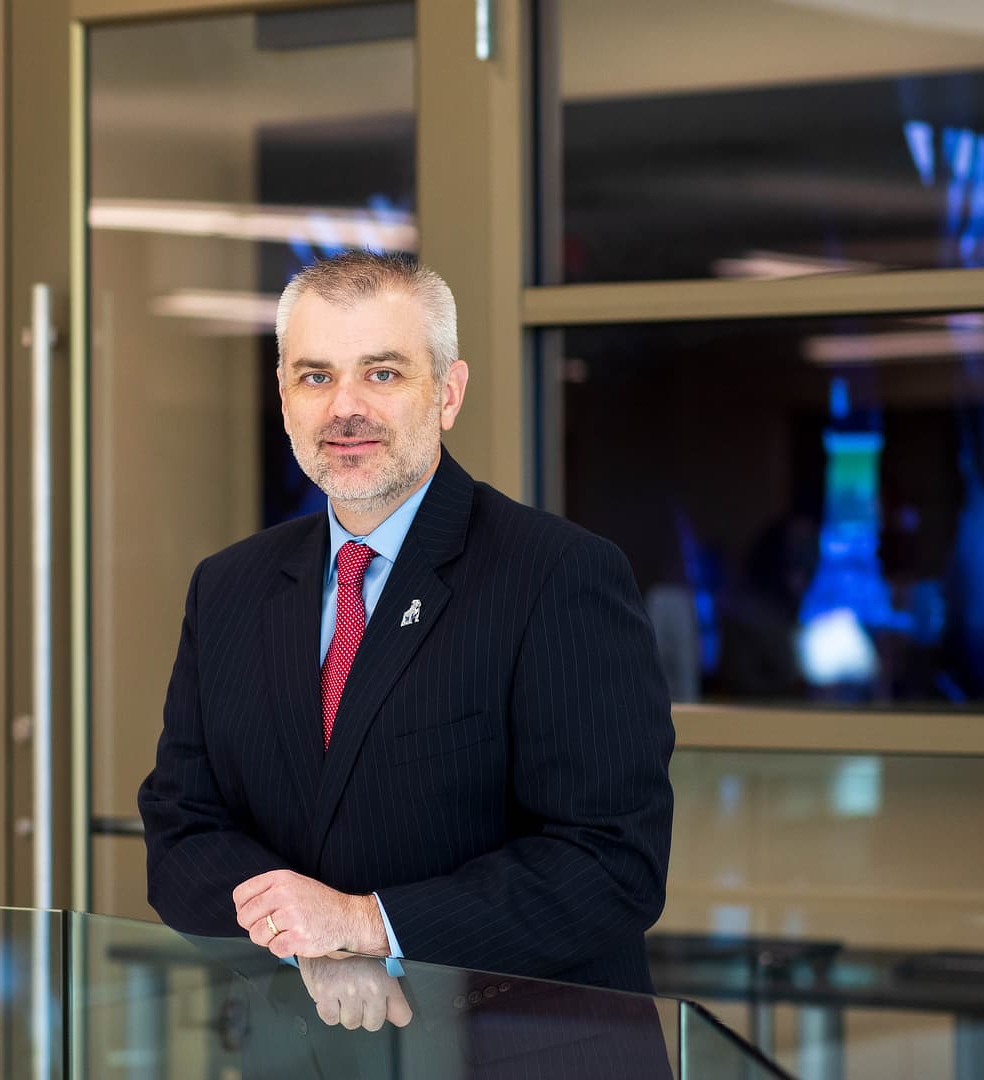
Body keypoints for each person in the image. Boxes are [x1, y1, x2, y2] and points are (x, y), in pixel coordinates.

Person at [137, 251, 676, 1042]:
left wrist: (370, 925)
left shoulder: (558, 575)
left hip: (515, 1057)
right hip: (305, 1049)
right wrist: (309, 942)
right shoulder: (229, 588)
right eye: (314, 377)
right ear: (283, 397)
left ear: (448, 392)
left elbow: (609, 862)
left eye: (382, 374)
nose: (343, 408)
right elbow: (181, 828)